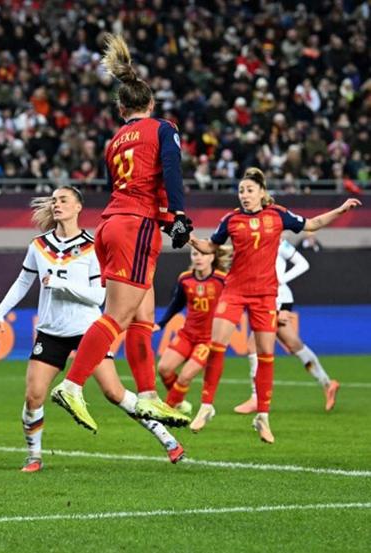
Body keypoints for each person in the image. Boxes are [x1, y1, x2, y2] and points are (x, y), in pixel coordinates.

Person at [50, 34, 193, 431]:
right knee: (118, 315)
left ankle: (148, 396)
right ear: (151, 104)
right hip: (136, 227)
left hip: (112, 224)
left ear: (121, 108)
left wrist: (169, 222)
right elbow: (170, 171)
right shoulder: (163, 128)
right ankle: (72, 385)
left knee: (142, 317)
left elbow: (126, 188)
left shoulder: (113, 142)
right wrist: (179, 213)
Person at [0, 187, 186, 472]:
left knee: (114, 392)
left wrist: (62, 285)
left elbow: (99, 296)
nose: (57, 204)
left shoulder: (93, 246)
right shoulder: (39, 245)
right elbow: (22, 283)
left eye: (64, 200)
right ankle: (34, 457)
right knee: (33, 395)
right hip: (50, 331)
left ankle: (168, 440)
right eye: (54, 200)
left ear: (78, 207)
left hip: (88, 331)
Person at [189, 167, 360, 443]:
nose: (244, 195)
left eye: (249, 190)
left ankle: (263, 417)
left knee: (266, 353)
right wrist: (190, 238)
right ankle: (206, 406)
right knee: (217, 345)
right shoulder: (231, 219)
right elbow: (211, 246)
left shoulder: (278, 215)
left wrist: (340, 210)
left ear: (261, 192)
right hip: (235, 291)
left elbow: (312, 224)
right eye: (241, 191)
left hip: (266, 295)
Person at [233, 238, 339, 413]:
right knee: (293, 344)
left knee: (254, 345)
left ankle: (256, 398)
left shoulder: (278, 242)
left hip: (277, 298)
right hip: (269, 298)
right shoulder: (253, 240)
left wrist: (280, 280)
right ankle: (327, 383)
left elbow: (303, 264)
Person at [154, 246, 229, 422]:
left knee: (185, 376)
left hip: (208, 340)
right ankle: (179, 402)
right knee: (164, 369)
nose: (198, 258)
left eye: (203, 254)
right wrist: (161, 323)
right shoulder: (185, 279)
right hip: (187, 335)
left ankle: (168, 409)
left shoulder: (222, 280)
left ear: (212, 258)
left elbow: (236, 301)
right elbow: (177, 303)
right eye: (195, 254)